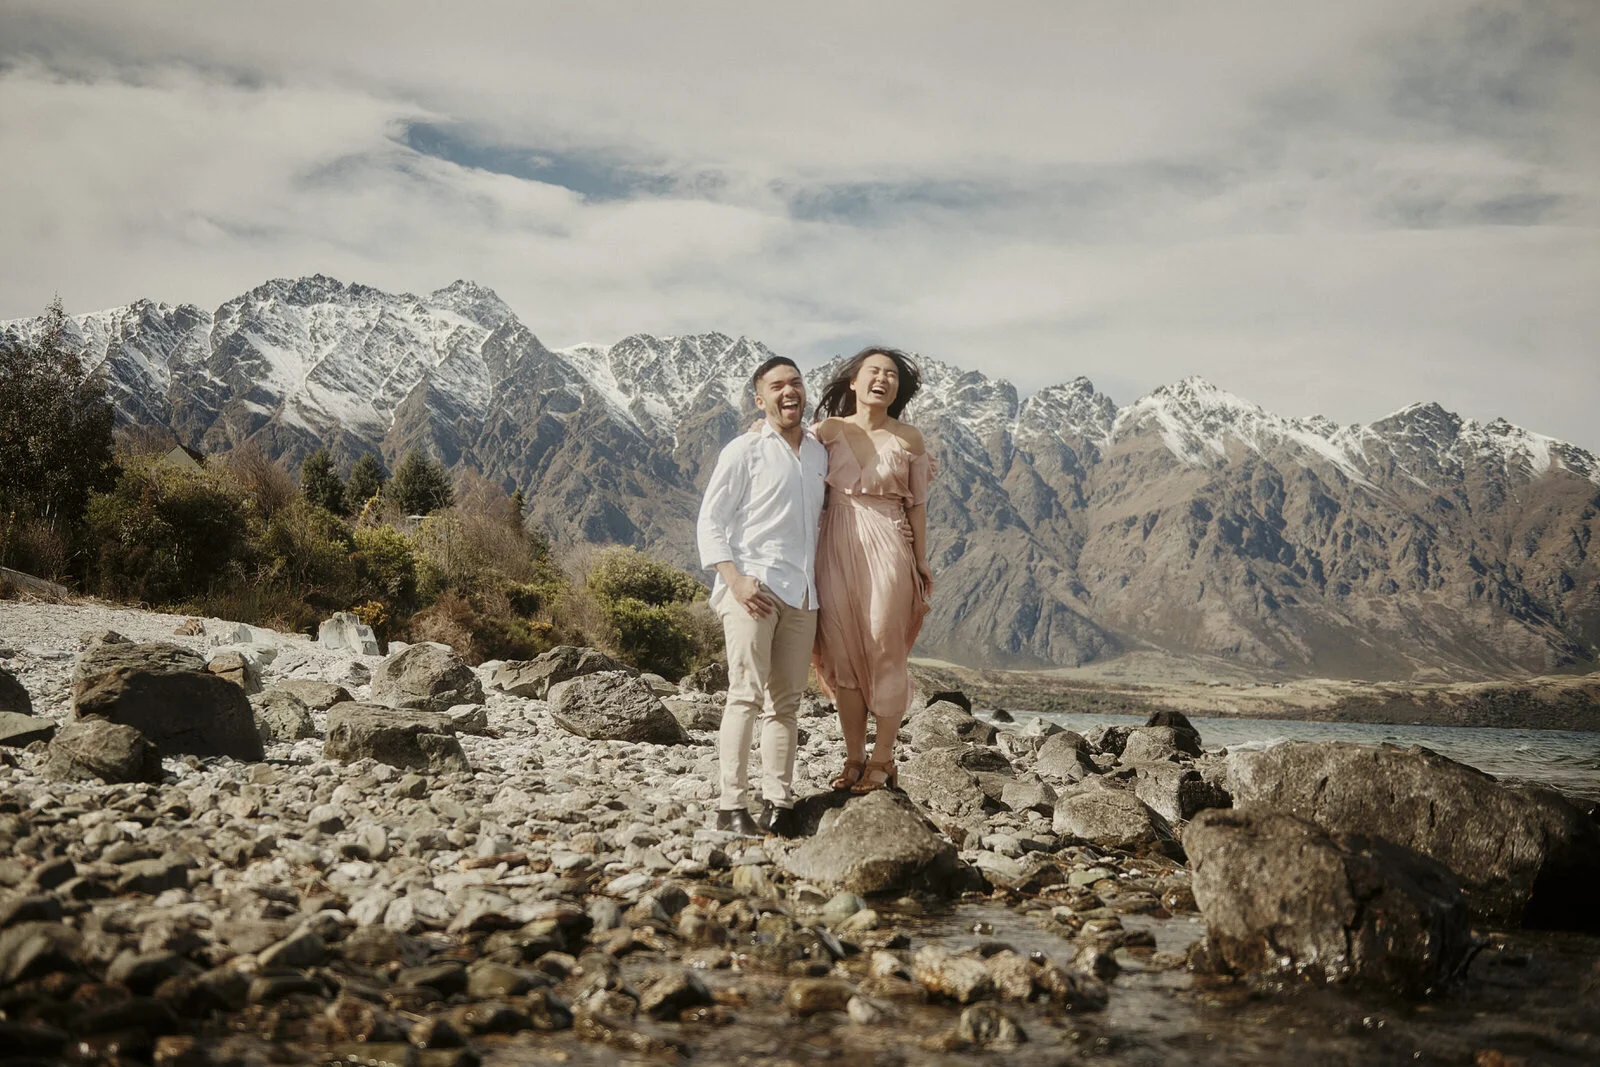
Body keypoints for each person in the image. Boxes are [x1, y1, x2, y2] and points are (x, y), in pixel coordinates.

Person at [696, 356, 827, 837]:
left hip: (804, 594)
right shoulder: (744, 449)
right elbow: (710, 520)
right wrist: (734, 579)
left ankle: (779, 804)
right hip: (754, 588)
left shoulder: (820, 453)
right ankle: (731, 806)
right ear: (759, 399)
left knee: (786, 705)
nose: (789, 391)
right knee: (745, 696)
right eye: (777, 386)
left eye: (796, 382)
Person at [812, 347, 933, 794]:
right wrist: (757, 429)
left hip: (889, 542)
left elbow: (917, 507)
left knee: (885, 646)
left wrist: (921, 560)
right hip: (834, 544)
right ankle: (854, 758)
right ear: (854, 381)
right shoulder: (827, 431)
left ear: (898, 390)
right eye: (874, 372)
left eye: (892, 376)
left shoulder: (909, 438)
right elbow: (786, 449)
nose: (883, 379)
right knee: (841, 651)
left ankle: (883, 758)